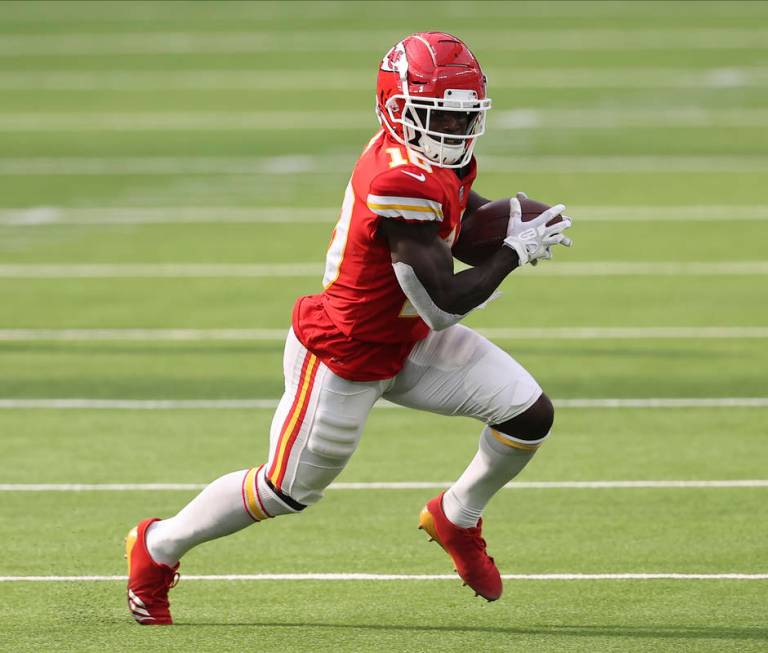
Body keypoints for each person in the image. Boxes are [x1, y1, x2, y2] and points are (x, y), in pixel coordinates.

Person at [125, 31, 573, 625]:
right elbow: (443, 303)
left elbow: (456, 229)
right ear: (397, 108)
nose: (454, 128)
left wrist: (510, 220)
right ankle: (156, 548)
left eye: (464, 115)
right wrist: (513, 251)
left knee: (528, 415)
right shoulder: (397, 181)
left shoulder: (435, 159)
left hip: (409, 340)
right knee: (285, 490)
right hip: (348, 351)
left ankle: (457, 515)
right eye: (439, 112)